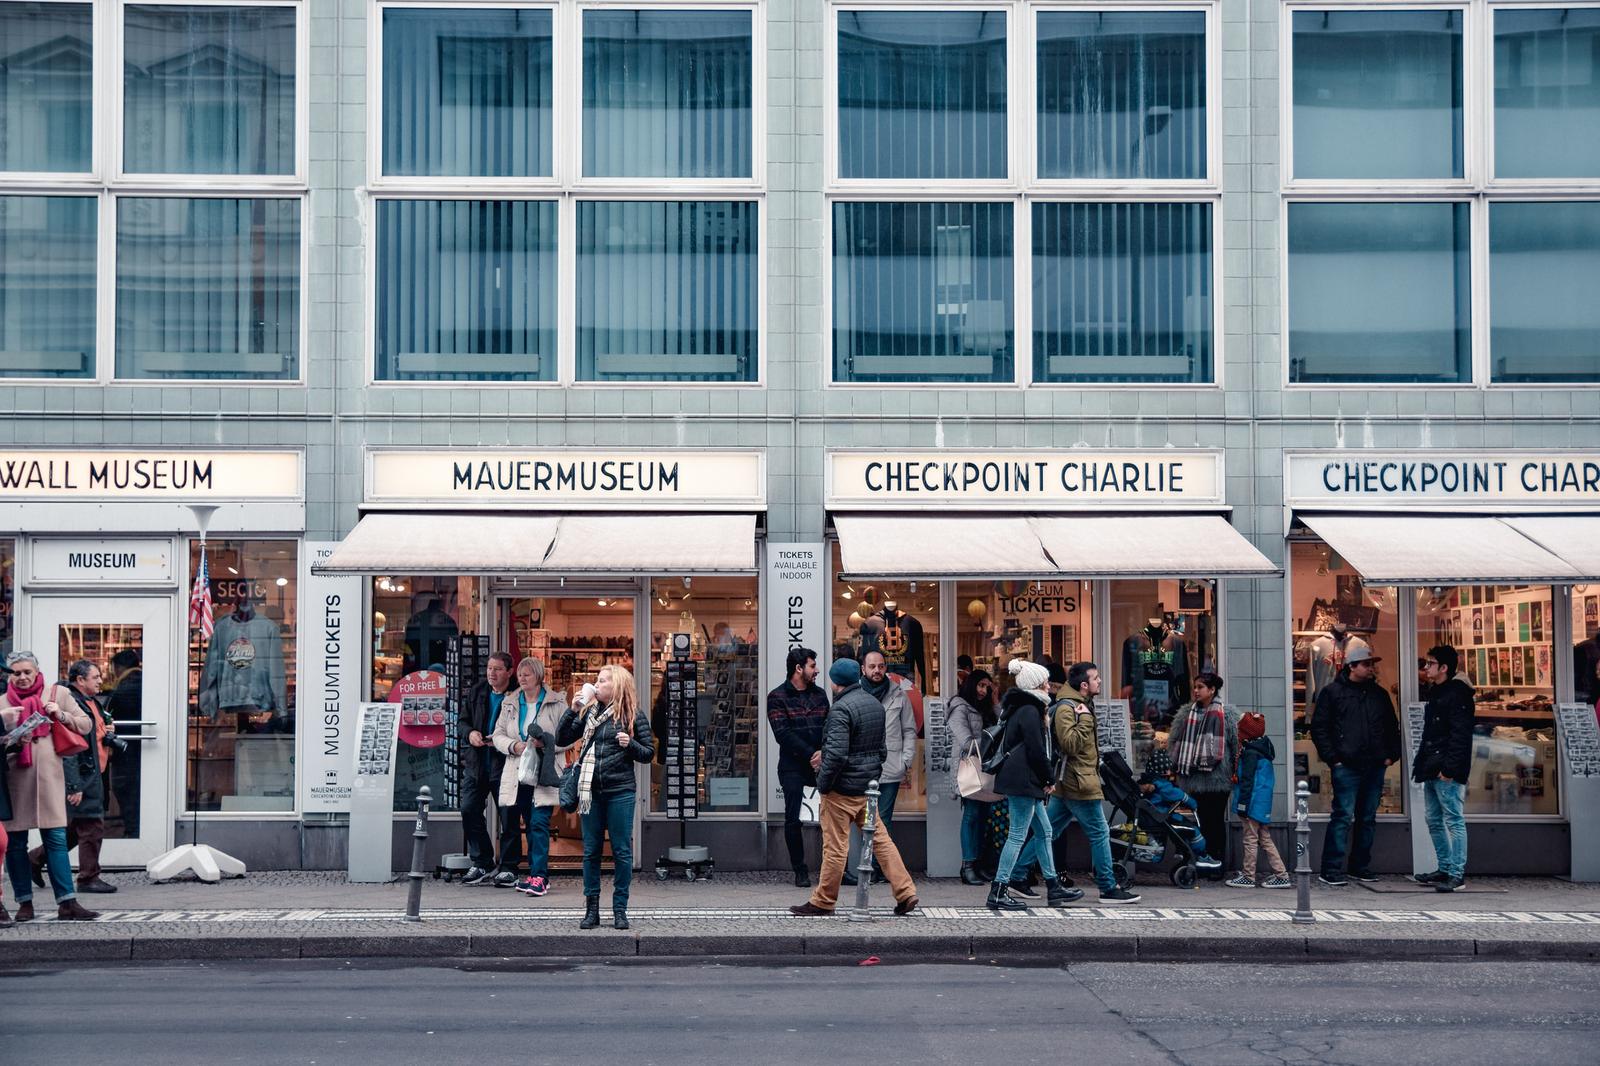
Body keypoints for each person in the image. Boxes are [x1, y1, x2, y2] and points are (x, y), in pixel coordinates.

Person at [789, 659, 918, 917]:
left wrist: (823, 784)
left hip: (841, 790)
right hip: (866, 789)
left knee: (835, 847)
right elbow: (881, 750)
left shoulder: (841, 709)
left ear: (836, 682)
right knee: (882, 841)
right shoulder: (874, 705)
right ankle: (906, 892)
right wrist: (871, 773)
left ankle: (824, 900)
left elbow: (836, 755)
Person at [1, 651, 99, 921]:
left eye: (26, 672)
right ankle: (24, 903)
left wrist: (61, 715)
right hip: (15, 781)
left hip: (50, 780)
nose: (21, 678)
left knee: (55, 839)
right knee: (15, 844)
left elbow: (86, 724)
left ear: (36, 671)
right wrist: (10, 739)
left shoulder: (57, 694)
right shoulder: (2, 703)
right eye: (16, 673)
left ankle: (67, 902)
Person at [557, 664, 652, 930]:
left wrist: (629, 744)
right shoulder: (588, 713)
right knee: (591, 852)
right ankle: (592, 910)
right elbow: (561, 738)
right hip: (591, 793)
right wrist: (573, 709)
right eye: (597, 681)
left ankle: (620, 910)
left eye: (602, 681)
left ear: (617, 686)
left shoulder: (633, 715)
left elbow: (648, 753)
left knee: (621, 851)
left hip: (620, 791)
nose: (596, 685)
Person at [986, 660, 1081, 911]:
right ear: (1036, 685)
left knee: (1045, 831)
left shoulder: (1023, 707)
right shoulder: (1029, 710)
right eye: (1045, 682)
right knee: (1017, 835)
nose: (1050, 686)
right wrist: (1048, 779)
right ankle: (998, 890)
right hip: (1024, 782)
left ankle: (1053, 887)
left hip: (1024, 780)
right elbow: (1037, 750)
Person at [1310, 644, 1401, 886]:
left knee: (1367, 817)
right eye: (1366, 664)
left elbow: (1392, 727)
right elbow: (1320, 728)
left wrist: (1391, 756)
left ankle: (1360, 866)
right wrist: (1334, 759)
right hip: (1347, 765)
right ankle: (1331, 869)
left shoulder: (1378, 694)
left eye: (1372, 664)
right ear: (1352, 666)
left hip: (1373, 765)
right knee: (1342, 816)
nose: (1371, 668)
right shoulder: (1332, 693)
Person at [1050, 661, 1140, 904]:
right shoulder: (1068, 708)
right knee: (1100, 832)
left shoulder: (1079, 705)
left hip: (1072, 780)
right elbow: (1069, 744)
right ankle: (1108, 888)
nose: (1100, 681)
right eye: (1096, 678)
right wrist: (1087, 720)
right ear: (1083, 685)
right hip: (1078, 782)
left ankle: (1015, 877)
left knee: (1047, 832)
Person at [28, 660, 116, 894]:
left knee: (77, 826)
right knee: (91, 826)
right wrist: (74, 784)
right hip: (84, 774)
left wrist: (106, 732)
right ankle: (88, 877)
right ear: (80, 680)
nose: (100, 681)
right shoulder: (72, 702)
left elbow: (91, 734)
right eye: (95, 677)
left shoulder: (92, 702)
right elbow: (69, 748)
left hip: (95, 772)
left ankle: (34, 860)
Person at [491, 657, 569, 896]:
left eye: (527, 674)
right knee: (528, 822)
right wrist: (514, 746)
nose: (521, 678)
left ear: (538, 676)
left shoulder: (557, 703)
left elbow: (569, 737)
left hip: (545, 772)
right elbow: (498, 734)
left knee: (538, 823)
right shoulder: (510, 702)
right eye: (520, 675)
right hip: (519, 772)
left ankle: (540, 877)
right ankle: (535, 874)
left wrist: (544, 743)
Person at [766, 646, 829, 888]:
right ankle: (799, 870)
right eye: (813, 666)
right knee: (793, 819)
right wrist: (811, 754)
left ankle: (833, 869)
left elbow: (829, 726)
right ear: (798, 668)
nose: (817, 670)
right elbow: (783, 734)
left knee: (830, 817)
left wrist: (823, 753)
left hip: (821, 764)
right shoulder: (777, 697)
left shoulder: (820, 695)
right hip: (793, 766)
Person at [1413, 645, 1474, 892]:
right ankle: (1445, 867)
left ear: (1444, 668)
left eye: (1430, 663)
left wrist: (1449, 769)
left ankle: (1456, 874)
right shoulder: (1438, 692)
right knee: (1433, 819)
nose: (1426, 668)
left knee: (1453, 819)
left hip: (1444, 768)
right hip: (1432, 765)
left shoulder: (1456, 695)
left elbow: (1460, 735)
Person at [1167, 671, 1239, 877]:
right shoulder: (1185, 713)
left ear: (1212, 690)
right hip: (1193, 779)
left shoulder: (1228, 714)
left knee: (1215, 821)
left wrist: (1235, 772)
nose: (1196, 691)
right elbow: (1174, 743)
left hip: (1218, 780)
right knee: (1201, 822)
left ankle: (1217, 865)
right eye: (1195, 687)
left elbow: (1236, 746)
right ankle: (1202, 861)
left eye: (1200, 687)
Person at [855, 649, 917, 881]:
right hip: (861, 767)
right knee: (864, 819)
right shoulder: (855, 693)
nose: (877, 670)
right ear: (863, 669)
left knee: (883, 819)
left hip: (891, 767)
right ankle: (866, 865)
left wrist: (906, 760)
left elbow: (909, 729)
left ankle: (879, 868)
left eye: (881, 666)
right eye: (872, 666)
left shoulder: (899, 694)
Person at [458, 651, 515, 885]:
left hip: (505, 763)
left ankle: (509, 866)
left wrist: (504, 740)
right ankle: (482, 862)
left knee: (509, 817)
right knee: (469, 809)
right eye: (490, 668)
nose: (492, 673)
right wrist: (470, 733)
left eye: (498, 669)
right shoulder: (477, 691)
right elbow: (462, 721)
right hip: (477, 763)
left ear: (509, 672)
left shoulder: (517, 695)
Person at [1227, 711, 1291, 888]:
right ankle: (1281, 874)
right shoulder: (1263, 749)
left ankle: (1248, 876)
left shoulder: (1250, 753)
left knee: (1250, 839)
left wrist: (1242, 805)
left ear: (1245, 732)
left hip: (1252, 803)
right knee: (1264, 838)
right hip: (1261, 802)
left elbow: (1247, 782)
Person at [946, 667, 995, 886]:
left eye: (987, 686)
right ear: (971, 684)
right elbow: (965, 741)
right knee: (972, 816)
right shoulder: (959, 707)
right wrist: (990, 743)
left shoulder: (986, 707)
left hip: (984, 767)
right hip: (969, 767)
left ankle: (978, 864)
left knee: (983, 817)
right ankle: (967, 866)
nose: (984, 690)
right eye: (981, 685)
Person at [1136, 748, 1222, 869]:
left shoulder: (1147, 782)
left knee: (1179, 831)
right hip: (1162, 817)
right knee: (1192, 829)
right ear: (1165, 770)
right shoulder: (1163, 786)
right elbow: (1180, 796)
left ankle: (1180, 852)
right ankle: (1202, 856)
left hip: (1154, 816)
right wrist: (1193, 804)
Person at [105, 648, 143, 837]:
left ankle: (132, 829)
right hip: (140, 746)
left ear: (118, 668)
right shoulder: (144, 682)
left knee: (124, 789)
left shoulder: (124, 687)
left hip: (126, 748)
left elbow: (111, 715)